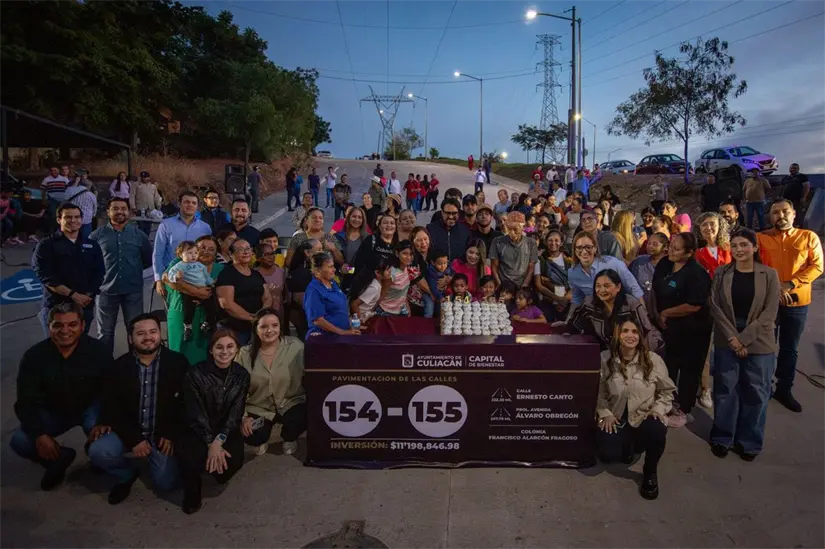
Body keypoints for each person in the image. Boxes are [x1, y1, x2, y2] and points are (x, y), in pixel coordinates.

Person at [10, 302, 113, 491]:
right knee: (20, 441)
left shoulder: (99, 351)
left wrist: (104, 419)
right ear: (49, 327)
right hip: (53, 412)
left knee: (105, 447)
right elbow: (25, 401)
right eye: (58, 325)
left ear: (82, 325)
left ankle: (96, 458)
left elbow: (112, 390)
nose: (65, 330)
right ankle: (58, 458)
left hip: (90, 409)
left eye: (72, 324)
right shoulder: (34, 356)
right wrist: (40, 434)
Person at [88, 314, 188, 504]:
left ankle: (158, 459)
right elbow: (113, 408)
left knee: (167, 483)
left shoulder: (178, 363)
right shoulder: (118, 367)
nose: (148, 337)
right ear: (130, 338)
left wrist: (170, 434)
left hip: (160, 433)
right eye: (140, 333)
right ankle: (126, 472)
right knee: (99, 452)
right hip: (129, 431)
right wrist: (134, 440)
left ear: (160, 334)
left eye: (153, 332)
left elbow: (184, 405)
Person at [708, 229, 780, 461]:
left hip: (759, 339)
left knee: (756, 392)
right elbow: (716, 306)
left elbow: (769, 312)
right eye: (735, 245)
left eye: (744, 245)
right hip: (727, 337)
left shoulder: (769, 275)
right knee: (725, 390)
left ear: (755, 248)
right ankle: (722, 437)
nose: (739, 250)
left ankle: (749, 441)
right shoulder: (721, 273)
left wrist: (744, 339)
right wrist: (733, 338)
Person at [596, 318, 674, 500]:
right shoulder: (605, 358)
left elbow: (666, 391)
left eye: (634, 332)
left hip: (643, 418)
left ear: (640, 336)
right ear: (617, 335)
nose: (630, 335)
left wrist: (658, 410)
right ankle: (626, 446)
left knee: (656, 427)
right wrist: (604, 413)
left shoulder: (653, 360)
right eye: (625, 331)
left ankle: (650, 472)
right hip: (616, 419)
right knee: (606, 454)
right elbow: (599, 393)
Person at [757, 199, 823, 412]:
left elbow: (817, 267)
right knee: (765, 347)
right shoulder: (760, 238)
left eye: (785, 211)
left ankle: (784, 389)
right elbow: (753, 266)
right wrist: (775, 288)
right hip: (768, 302)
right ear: (770, 216)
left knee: (789, 349)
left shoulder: (808, 237)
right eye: (775, 212)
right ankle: (763, 388)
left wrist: (792, 284)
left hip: (797, 302)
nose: (781, 216)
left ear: (794, 214)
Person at [178, 330, 250, 514]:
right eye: (219, 347)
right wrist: (211, 443)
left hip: (225, 429)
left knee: (228, 469)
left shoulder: (242, 375)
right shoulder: (194, 374)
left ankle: (213, 463)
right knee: (191, 460)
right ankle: (192, 491)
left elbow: (236, 413)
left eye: (230, 346)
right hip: (196, 429)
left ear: (236, 350)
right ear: (211, 350)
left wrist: (219, 441)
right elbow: (195, 413)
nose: (224, 352)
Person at [652, 232, 712, 427]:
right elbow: (655, 290)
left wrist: (667, 313)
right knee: (667, 365)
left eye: (676, 249)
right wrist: (657, 315)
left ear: (689, 253)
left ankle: (684, 408)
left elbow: (695, 305)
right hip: (667, 326)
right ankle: (666, 401)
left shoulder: (697, 274)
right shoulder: (664, 264)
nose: (670, 250)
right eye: (670, 246)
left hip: (693, 329)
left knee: (688, 369)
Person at [238, 309, 306, 456]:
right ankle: (262, 438)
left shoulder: (296, 346)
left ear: (280, 327)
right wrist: (243, 417)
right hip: (258, 407)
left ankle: (290, 438)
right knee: (253, 434)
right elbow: (237, 390)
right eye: (263, 327)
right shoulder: (244, 354)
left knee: (302, 418)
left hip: (290, 402)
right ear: (256, 329)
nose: (270, 330)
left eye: (274, 325)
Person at [90, 198, 152, 356]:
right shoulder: (96, 236)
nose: (119, 212)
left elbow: (147, 260)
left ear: (129, 212)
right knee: (105, 334)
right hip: (105, 292)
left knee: (135, 332)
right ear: (108, 212)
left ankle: (134, 366)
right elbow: (89, 262)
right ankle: (105, 370)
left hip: (133, 291)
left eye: (123, 208)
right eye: (115, 208)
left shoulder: (139, 235)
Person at [32, 204, 104, 337]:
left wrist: (87, 295)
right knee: (55, 350)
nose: (73, 220)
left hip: (84, 307)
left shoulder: (92, 245)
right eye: (68, 217)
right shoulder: (46, 245)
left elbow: (99, 273)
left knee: (80, 349)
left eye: (77, 217)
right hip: (56, 307)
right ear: (59, 219)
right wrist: (74, 295)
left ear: (82, 220)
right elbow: (45, 276)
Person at [163, 236, 226, 364]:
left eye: (211, 249)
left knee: (204, 357)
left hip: (206, 316)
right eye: (202, 247)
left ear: (216, 254)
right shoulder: (179, 262)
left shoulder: (221, 269)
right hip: (181, 312)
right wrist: (194, 291)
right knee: (178, 354)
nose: (206, 251)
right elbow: (166, 278)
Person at [566, 269, 661, 352]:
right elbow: (574, 325)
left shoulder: (631, 304)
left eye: (607, 286)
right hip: (613, 353)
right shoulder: (589, 303)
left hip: (648, 348)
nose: (602, 290)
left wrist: (644, 360)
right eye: (598, 286)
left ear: (618, 287)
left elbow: (646, 332)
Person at [152, 191, 212, 298]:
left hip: (196, 279)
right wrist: (158, 279)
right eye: (186, 202)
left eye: (194, 203)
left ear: (197, 206)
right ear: (179, 204)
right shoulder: (166, 225)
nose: (190, 205)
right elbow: (158, 253)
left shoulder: (205, 228)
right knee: (174, 311)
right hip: (172, 278)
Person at [215, 239, 272, 345]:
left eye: (248, 249)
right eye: (240, 249)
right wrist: (252, 318)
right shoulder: (226, 274)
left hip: (256, 327)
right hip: (234, 329)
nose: (246, 252)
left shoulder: (256, 274)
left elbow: (267, 297)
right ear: (231, 254)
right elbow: (227, 304)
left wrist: (261, 315)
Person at [568, 231, 643, 306]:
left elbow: (634, 290)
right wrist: (570, 317)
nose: (584, 251)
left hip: (619, 310)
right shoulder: (573, 273)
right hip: (594, 313)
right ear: (574, 250)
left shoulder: (612, 264)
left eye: (588, 247)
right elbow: (577, 299)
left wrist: (643, 314)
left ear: (595, 248)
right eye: (579, 247)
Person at [167, 241, 218, 340]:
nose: (193, 255)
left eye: (195, 253)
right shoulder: (179, 265)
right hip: (189, 292)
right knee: (189, 309)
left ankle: (207, 323)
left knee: (212, 306)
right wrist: (176, 277)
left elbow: (206, 277)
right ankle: (188, 327)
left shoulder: (200, 266)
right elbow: (169, 276)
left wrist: (212, 282)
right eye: (189, 253)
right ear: (181, 255)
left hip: (204, 289)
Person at [304, 251, 360, 337]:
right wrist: (342, 332)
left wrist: (351, 325)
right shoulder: (313, 290)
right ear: (318, 270)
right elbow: (318, 320)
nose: (334, 269)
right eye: (330, 267)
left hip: (340, 337)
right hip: (324, 338)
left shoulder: (333, 283)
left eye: (333, 266)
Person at [490, 212, 538, 289]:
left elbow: (531, 267)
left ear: (523, 227)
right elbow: (494, 266)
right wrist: (499, 283)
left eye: (515, 229)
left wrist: (525, 285)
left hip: (522, 285)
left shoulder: (531, 243)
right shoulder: (497, 241)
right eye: (509, 229)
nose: (512, 233)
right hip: (504, 285)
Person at [534, 229, 573, 321]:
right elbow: (539, 285)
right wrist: (557, 299)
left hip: (568, 302)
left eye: (556, 240)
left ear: (561, 242)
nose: (553, 243)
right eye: (550, 240)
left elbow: (574, 283)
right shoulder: (540, 260)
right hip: (548, 301)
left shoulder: (569, 260)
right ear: (546, 242)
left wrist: (565, 300)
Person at [287, 239, 322, 339]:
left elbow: (350, 270)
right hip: (308, 321)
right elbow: (301, 300)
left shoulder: (314, 270)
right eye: (319, 249)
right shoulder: (300, 273)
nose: (322, 252)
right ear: (307, 252)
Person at [629, 232, 669, 312]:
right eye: (649, 243)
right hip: (640, 311)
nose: (650, 246)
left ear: (665, 247)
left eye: (655, 244)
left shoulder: (671, 266)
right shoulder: (638, 262)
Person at [375, 241, 414, 316]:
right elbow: (382, 294)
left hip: (400, 311)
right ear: (397, 253)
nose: (409, 257)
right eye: (405, 253)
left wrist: (408, 308)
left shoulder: (406, 268)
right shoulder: (391, 273)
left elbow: (404, 293)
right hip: (385, 312)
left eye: (411, 254)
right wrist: (371, 311)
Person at [427, 198, 471, 263]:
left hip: (459, 270)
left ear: (458, 213)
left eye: (454, 213)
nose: (450, 216)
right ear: (442, 212)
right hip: (436, 271)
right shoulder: (430, 229)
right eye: (447, 213)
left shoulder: (465, 231)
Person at [694, 212, 732, 278]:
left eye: (712, 224)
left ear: (720, 226)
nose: (708, 228)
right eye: (704, 224)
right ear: (699, 228)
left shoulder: (730, 247)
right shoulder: (695, 251)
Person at [63, 169, 98, 239]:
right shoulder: (91, 195)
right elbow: (95, 209)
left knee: (71, 239)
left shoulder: (70, 190)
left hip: (72, 219)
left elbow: (65, 198)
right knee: (86, 240)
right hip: (86, 220)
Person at [255, 242, 286, 320]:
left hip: (279, 315)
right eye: (266, 254)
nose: (271, 257)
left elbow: (285, 295)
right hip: (261, 315)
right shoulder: (254, 274)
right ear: (258, 258)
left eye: (272, 254)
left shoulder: (281, 272)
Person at [129, 171, 163, 235]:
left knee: (148, 227)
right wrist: (133, 207)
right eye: (142, 177)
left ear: (149, 178)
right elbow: (132, 196)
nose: (144, 179)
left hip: (151, 209)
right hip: (140, 209)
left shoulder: (153, 186)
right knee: (141, 226)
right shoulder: (136, 185)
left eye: (145, 177)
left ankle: (146, 241)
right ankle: (141, 241)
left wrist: (159, 206)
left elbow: (156, 197)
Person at [40, 166, 69, 232]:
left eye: (55, 170)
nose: (53, 172)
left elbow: (68, 189)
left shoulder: (64, 179)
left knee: (63, 215)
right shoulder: (46, 179)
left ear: (58, 171)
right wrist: (43, 199)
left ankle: (63, 229)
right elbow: (43, 190)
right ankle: (56, 230)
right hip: (52, 200)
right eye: (52, 170)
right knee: (54, 215)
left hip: (63, 200)